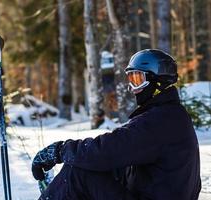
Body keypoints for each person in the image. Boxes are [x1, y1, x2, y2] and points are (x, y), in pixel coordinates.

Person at [31, 49, 201, 200]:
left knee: (77, 173)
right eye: (131, 79)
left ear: (157, 82)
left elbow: (106, 150)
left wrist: (59, 151)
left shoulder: (158, 121)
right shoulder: (173, 116)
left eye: (137, 79)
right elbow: (119, 156)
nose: (132, 88)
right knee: (99, 166)